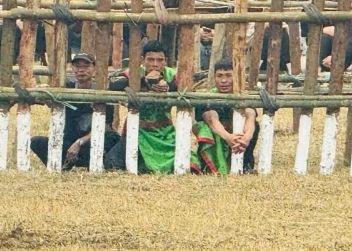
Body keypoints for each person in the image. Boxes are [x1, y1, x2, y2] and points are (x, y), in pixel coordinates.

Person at [103, 41, 200, 173]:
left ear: (165, 61)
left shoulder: (173, 75)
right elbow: (113, 85)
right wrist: (138, 83)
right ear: (143, 60)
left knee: (187, 161)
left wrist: (169, 88)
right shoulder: (135, 73)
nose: (155, 64)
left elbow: (188, 89)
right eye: (151, 59)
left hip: (165, 132)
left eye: (160, 60)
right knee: (112, 161)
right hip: (138, 131)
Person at [29, 53, 119, 170]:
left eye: (86, 66)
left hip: (92, 141)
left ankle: (94, 163)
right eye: (77, 66)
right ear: (72, 68)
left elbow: (106, 127)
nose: (81, 70)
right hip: (69, 141)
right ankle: (62, 165)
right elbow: (50, 100)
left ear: (94, 69)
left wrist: (80, 142)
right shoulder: (66, 88)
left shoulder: (102, 92)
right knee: (36, 142)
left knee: (107, 144)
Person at [194, 59, 257, 174]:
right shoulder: (207, 98)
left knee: (255, 125)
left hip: (239, 142)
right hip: (222, 136)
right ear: (214, 77)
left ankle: (245, 165)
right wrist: (228, 138)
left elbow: (250, 115)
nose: (224, 81)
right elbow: (211, 118)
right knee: (205, 127)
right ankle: (210, 165)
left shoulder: (245, 97)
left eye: (229, 76)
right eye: (219, 76)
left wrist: (245, 139)